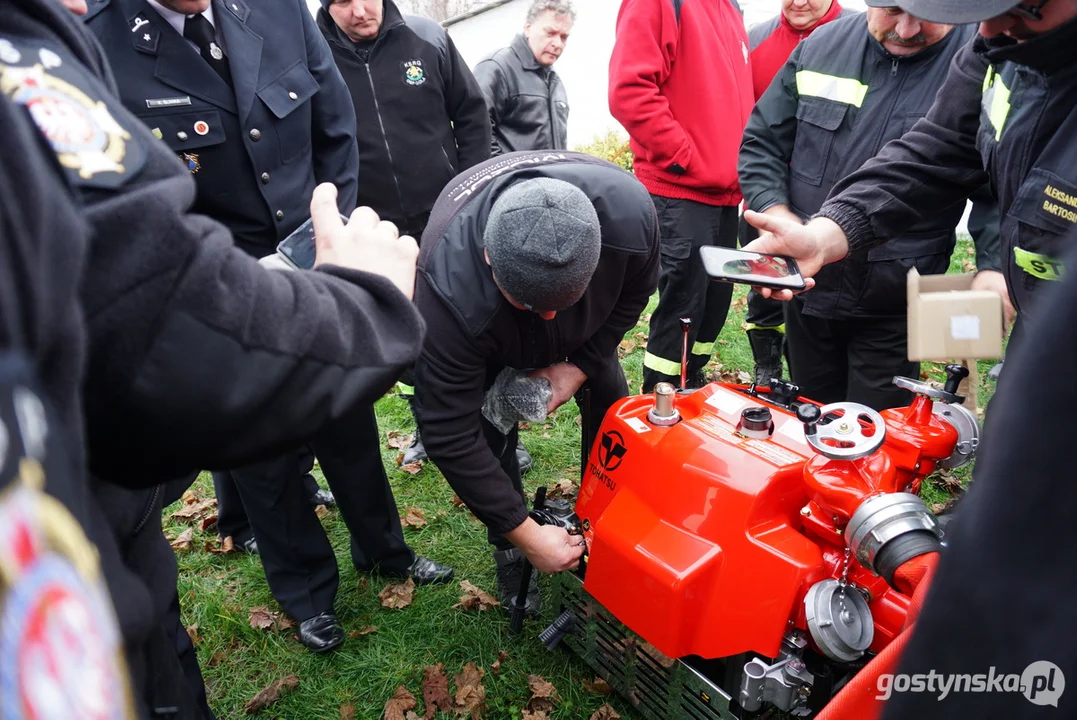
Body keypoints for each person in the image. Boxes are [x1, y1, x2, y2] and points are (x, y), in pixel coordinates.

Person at [5, 0, 427, 714]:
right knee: (261, 460)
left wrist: (328, 237)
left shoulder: (276, 11)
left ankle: (385, 547)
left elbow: (333, 127)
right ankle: (306, 592)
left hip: (309, 252)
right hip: (212, 277)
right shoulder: (92, 32)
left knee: (346, 419)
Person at [413, 150, 660, 615]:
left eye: (562, 303)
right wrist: (525, 534)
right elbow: (448, 431)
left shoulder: (631, 218)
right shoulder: (448, 290)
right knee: (487, 426)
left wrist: (577, 365)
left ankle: (603, 516)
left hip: (582, 332)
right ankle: (510, 550)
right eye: (533, 305)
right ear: (489, 258)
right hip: (487, 331)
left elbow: (634, 295)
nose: (549, 317)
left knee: (612, 402)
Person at [738, 3, 1004, 410]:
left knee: (877, 437)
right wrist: (776, 217)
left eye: (925, 13)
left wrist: (995, 266)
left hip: (896, 298)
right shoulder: (821, 47)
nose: (906, 27)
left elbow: (997, 181)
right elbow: (762, 143)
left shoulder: (981, 62)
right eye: (893, 9)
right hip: (809, 287)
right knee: (810, 416)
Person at [317, 0, 492, 468]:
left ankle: (488, 423)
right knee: (409, 333)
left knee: (468, 322)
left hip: (448, 217)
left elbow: (472, 116)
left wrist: (472, 193)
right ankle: (430, 426)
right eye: (341, 2)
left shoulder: (427, 37)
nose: (358, 11)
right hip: (376, 234)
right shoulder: (313, 56)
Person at [609, 0, 754, 393]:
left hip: (724, 195)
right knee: (682, 310)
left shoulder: (730, 8)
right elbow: (629, 91)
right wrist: (685, 157)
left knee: (713, 307)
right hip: (681, 191)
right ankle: (661, 398)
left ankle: (693, 383)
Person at [741, 0, 850, 385]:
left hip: (829, 203)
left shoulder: (858, 34)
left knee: (814, 290)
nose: (799, 1)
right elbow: (746, 121)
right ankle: (767, 366)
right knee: (765, 289)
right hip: (765, 196)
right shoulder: (754, 39)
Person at [473, 0, 574, 155]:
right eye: (550, 33)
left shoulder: (555, 81)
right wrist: (509, 177)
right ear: (528, 28)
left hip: (550, 178)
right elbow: (476, 134)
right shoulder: (496, 68)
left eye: (564, 37)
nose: (558, 44)